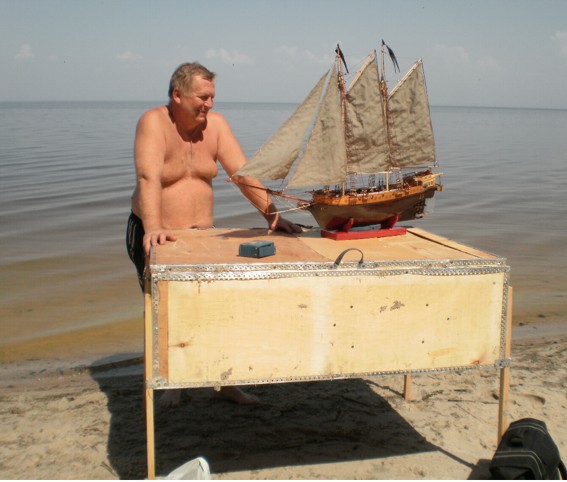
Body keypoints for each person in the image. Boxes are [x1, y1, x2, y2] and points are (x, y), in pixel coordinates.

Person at [126, 62, 301, 407]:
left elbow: (243, 175)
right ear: (178, 95)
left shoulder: (216, 126)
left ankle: (225, 384)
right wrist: (154, 226)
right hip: (157, 234)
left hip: (202, 237)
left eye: (212, 97)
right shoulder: (153, 123)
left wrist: (273, 215)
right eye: (202, 97)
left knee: (218, 309)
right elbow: (148, 178)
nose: (209, 104)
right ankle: (172, 382)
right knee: (163, 310)